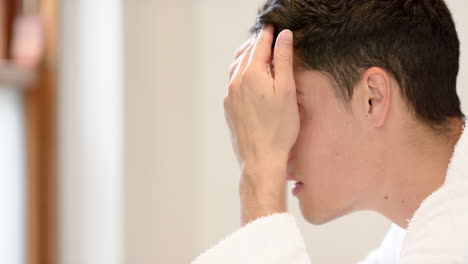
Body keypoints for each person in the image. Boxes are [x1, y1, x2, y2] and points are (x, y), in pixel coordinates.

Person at [193, 0, 468, 263]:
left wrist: (259, 172)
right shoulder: (424, 233)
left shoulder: (456, 245)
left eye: (293, 108)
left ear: (373, 98)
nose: (280, 152)